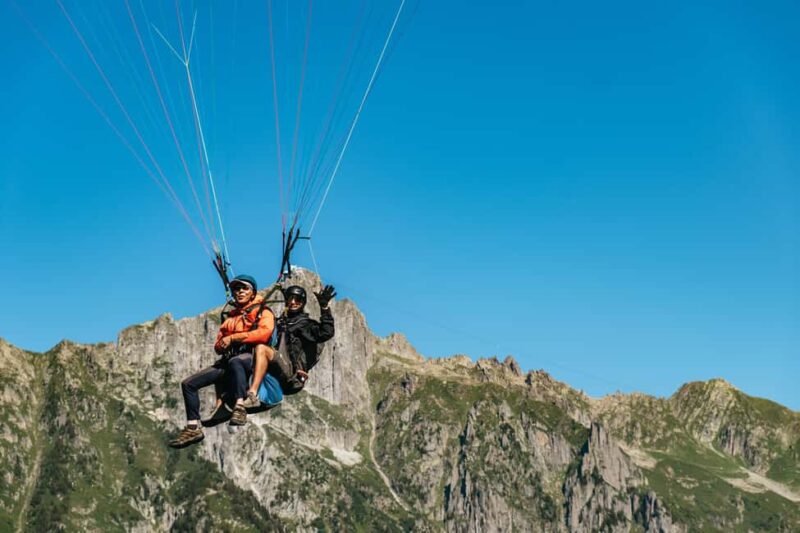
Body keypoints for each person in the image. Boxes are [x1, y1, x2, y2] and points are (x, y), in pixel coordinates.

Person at [168, 274, 274, 448]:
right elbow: (218, 345)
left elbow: (264, 333)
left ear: (253, 292)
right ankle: (193, 427)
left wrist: (234, 338)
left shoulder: (263, 311)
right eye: (236, 289)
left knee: (237, 362)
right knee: (188, 384)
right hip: (230, 360)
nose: (239, 292)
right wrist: (223, 345)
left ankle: (240, 406)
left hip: (252, 357)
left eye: (244, 288)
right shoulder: (230, 318)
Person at [242, 284, 336, 405]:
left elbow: (326, 333)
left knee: (262, 349)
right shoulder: (279, 322)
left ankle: (253, 394)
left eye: (297, 299)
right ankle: (233, 400)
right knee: (241, 359)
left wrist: (324, 308)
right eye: (290, 298)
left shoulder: (305, 324)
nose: (292, 302)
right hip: (274, 366)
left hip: (291, 373)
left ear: (303, 303)